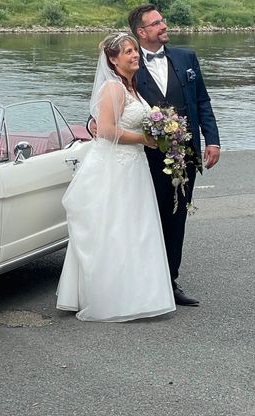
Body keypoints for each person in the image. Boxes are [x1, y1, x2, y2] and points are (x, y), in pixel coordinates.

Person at [56, 32, 176, 322]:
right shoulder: (112, 88)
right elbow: (107, 131)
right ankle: (110, 297)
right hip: (115, 167)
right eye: (127, 52)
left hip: (133, 167)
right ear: (112, 59)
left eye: (135, 50)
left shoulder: (132, 89)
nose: (134, 55)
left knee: (135, 228)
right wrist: (144, 140)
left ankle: (137, 293)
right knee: (114, 228)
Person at [128, 3, 221, 307]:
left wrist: (213, 140)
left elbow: (202, 101)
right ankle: (141, 280)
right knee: (146, 217)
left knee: (177, 215)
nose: (163, 26)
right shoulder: (127, 63)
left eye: (162, 20)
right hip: (145, 156)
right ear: (141, 32)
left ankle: (170, 280)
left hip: (186, 154)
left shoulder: (186, 57)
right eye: (156, 23)